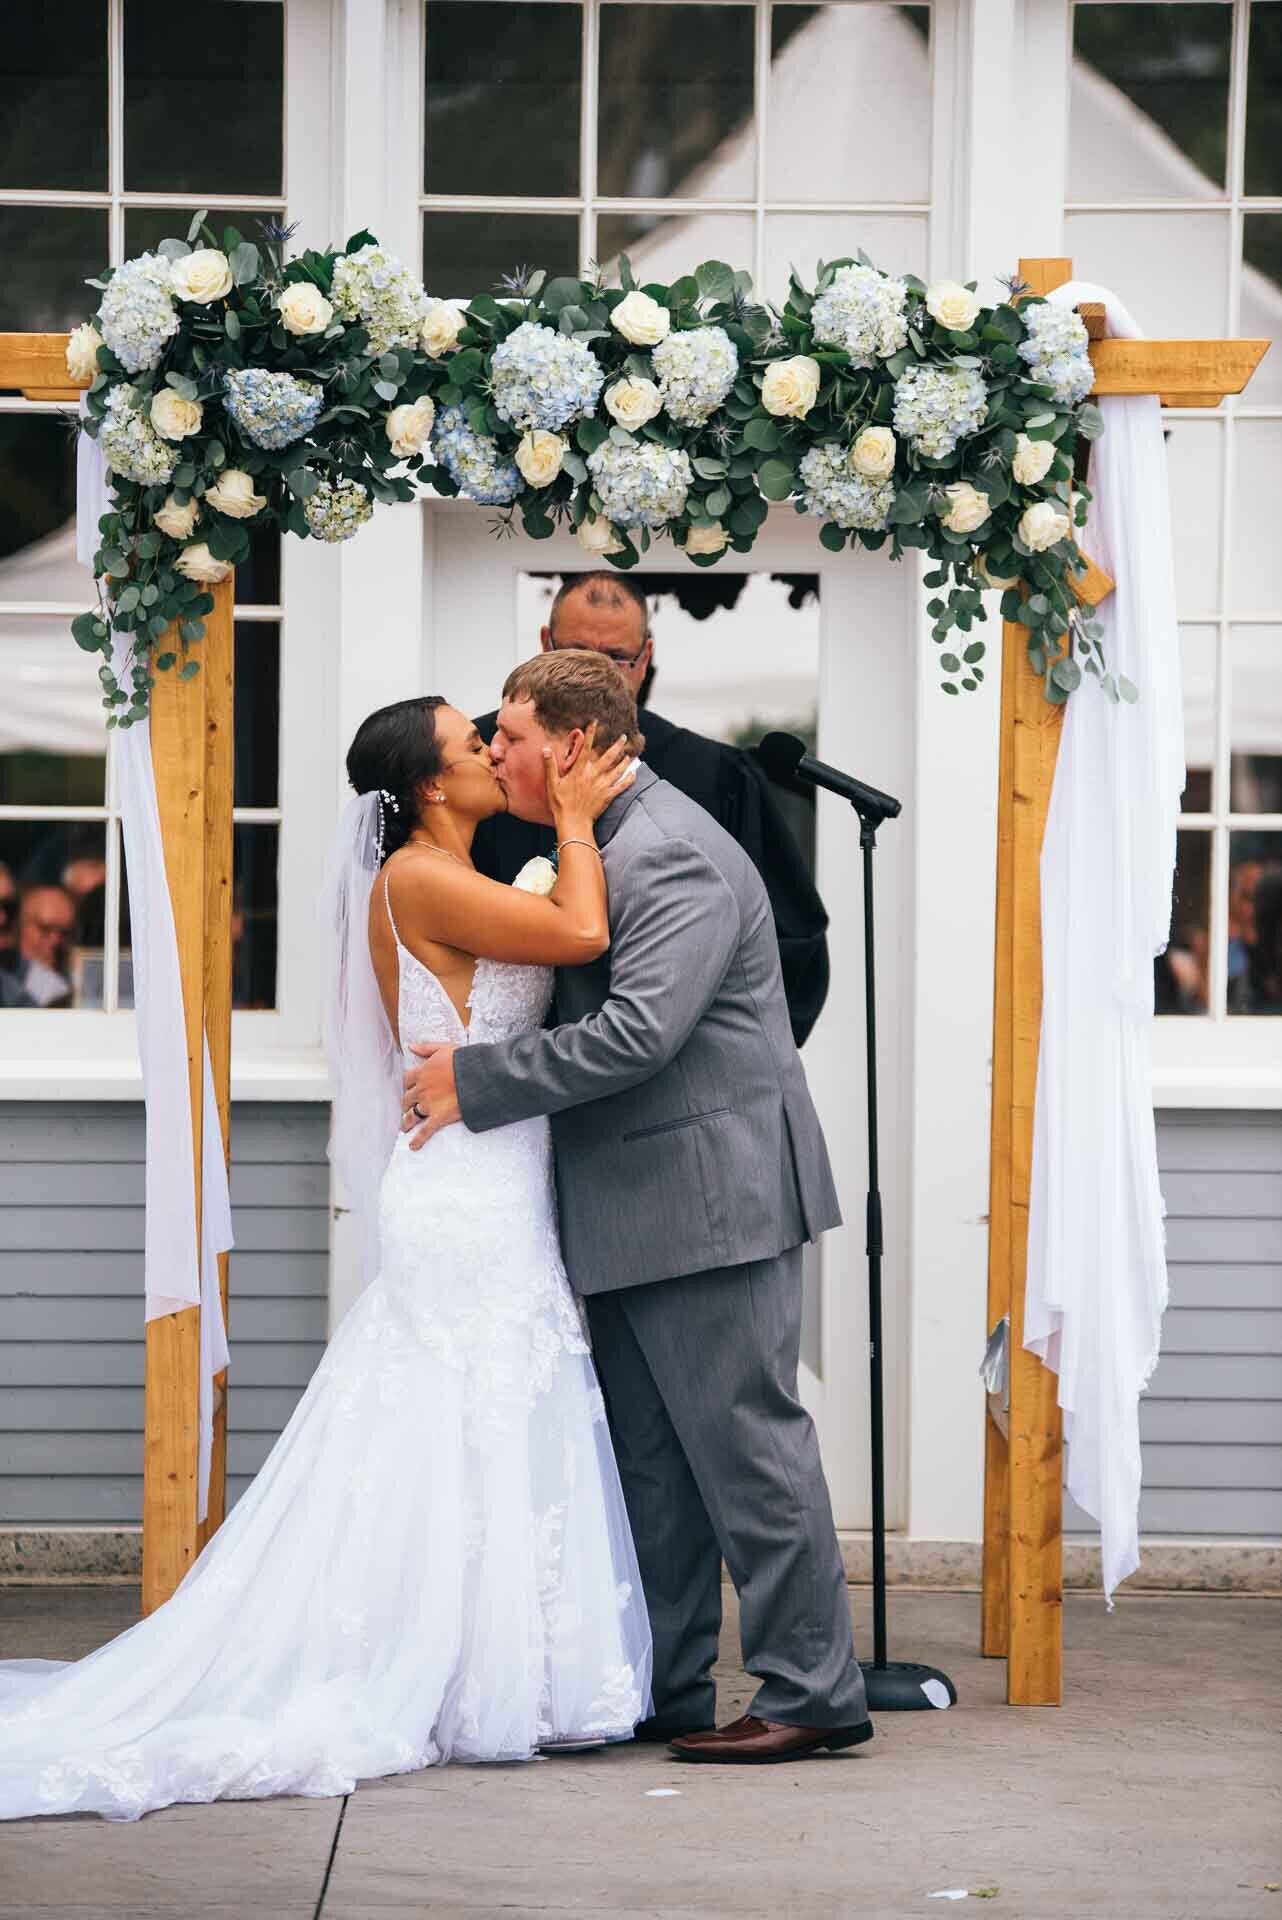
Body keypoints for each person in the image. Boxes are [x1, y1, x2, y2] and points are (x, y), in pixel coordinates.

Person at [0, 697, 652, 1821]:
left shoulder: (451, 871)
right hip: (465, 1192)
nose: (493, 753)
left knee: (480, 1417)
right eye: (471, 744)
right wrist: (581, 830)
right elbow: (582, 938)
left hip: (492, 1176)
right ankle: (464, 1674)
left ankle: (502, 1670)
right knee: (468, 1414)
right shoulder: (416, 878)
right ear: (434, 786)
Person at [405, 650, 872, 1765]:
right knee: (650, 1475)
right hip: (629, 1207)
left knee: (750, 1455)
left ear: (568, 745)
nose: (497, 754)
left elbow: (638, 1036)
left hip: (712, 1202)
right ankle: (661, 1691)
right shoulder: (599, 842)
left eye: (508, 736)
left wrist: (470, 1084)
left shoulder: (669, 856)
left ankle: (811, 1690)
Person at [472, 572, 831, 1048]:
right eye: (576, 649)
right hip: (505, 1050)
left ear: (645, 658)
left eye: (617, 657)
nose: (595, 671)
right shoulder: (481, 758)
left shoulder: (711, 775)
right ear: (545, 644)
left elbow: (783, 944)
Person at [16, 883, 75, 1007]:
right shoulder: (6, 985)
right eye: (45, 929)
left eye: (65, 933)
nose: (55, 941)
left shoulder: (77, 981)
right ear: (20, 924)